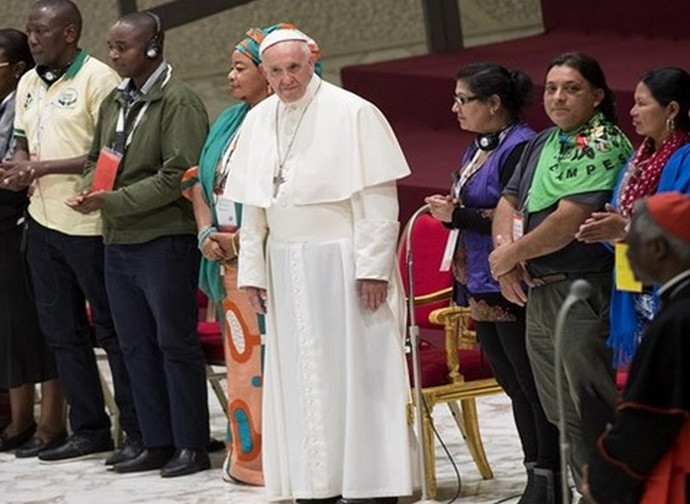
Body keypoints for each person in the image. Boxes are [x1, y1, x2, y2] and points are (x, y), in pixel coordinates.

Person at [222, 28, 413, 504]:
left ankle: (372, 482)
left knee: (356, 369)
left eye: (295, 68)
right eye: (277, 72)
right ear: (265, 74)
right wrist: (251, 273)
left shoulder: (354, 113)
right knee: (303, 375)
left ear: (312, 64)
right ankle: (315, 481)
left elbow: (377, 199)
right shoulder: (259, 120)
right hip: (285, 264)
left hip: (342, 260)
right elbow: (253, 209)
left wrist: (373, 268)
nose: (287, 80)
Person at [68, 11, 210, 477]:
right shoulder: (115, 100)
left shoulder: (179, 101)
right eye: (109, 47)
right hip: (119, 240)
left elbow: (179, 175)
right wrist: (91, 189)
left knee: (175, 343)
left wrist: (115, 201)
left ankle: (190, 443)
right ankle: (154, 439)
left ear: (153, 47)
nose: (113, 55)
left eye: (121, 48)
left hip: (163, 239)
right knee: (133, 346)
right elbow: (97, 155)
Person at [0, 0, 139, 463]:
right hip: (40, 222)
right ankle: (89, 429)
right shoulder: (25, 82)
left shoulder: (98, 79)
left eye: (42, 31)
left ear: (70, 34)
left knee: (111, 330)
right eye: (30, 30)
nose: (33, 38)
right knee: (61, 332)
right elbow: (20, 139)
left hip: (89, 224)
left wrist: (41, 166)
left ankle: (136, 428)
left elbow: (109, 154)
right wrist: (21, 166)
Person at [488, 52, 633, 496]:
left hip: (583, 290)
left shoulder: (604, 143)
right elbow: (507, 204)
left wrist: (509, 255)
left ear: (597, 96)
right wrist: (506, 259)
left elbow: (569, 220)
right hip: (540, 293)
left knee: (593, 410)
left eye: (571, 88)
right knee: (560, 412)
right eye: (551, 88)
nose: (558, 97)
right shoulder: (542, 143)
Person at [425, 63, 560, 503]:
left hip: (510, 278)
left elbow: (521, 218)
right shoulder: (479, 147)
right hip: (478, 279)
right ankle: (532, 472)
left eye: (463, 99)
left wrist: (457, 216)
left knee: (532, 383)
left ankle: (550, 476)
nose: (455, 108)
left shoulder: (521, 147)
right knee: (512, 384)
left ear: (494, 103)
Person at [181, 23, 296, 485]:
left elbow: (281, 194)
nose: (230, 76)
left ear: (268, 75)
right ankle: (247, 458)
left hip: (268, 261)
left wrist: (244, 239)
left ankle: (282, 463)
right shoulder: (229, 121)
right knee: (243, 365)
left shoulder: (281, 121)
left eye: (239, 68)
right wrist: (206, 228)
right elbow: (199, 181)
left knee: (273, 362)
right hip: (225, 258)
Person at [576, 67, 690, 365]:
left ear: (672, 109)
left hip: (676, 293)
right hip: (634, 284)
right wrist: (607, 231)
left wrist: (625, 228)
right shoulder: (639, 159)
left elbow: (681, 226)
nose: (633, 111)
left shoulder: (686, 159)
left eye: (642, 103)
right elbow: (620, 219)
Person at [581, 192, 690, 504]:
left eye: (630, 241)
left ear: (657, 248)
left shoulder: (675, 322)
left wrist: (605, 477)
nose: (624, 251)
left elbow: (649, 419)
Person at [0, 28, 65, 455]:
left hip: (24, 219)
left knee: (37, 326)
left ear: (19, 68)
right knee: (8, 329)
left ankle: (51, 419)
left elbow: (14, 168)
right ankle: (20, 417)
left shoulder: (28, 101)